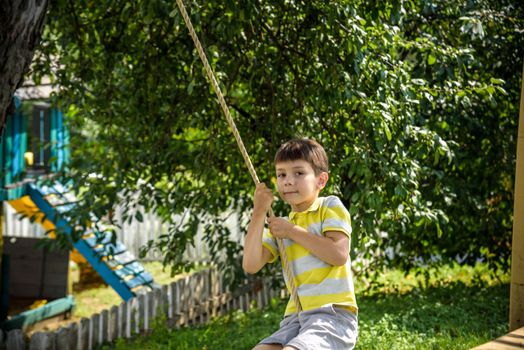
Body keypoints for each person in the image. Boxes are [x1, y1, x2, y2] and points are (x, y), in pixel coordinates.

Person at [243, 138, 358, 350]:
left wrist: (291, 232)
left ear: (321, 180)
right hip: (296, 318)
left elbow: (338, 254)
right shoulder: (282, 226)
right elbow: (251, 264)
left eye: (298, 173)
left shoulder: (329, 206)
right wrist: (258, 212)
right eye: (281, 174)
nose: (288, 181)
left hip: (332, 315)